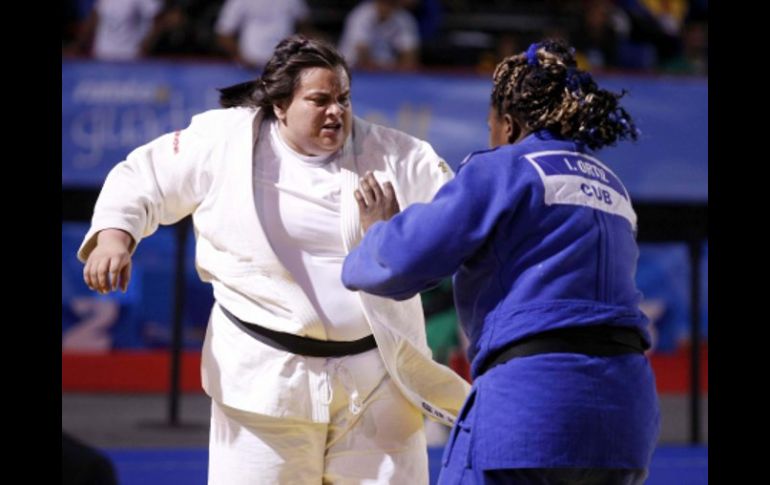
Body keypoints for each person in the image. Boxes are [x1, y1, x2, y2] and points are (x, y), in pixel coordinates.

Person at [78, 35, 469, 484]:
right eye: (320, 100)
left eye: (343, 98)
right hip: (264, 381)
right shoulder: (223, 141)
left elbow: (458, 224)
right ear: (280, 105)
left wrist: (394, 234)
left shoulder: (397, 154)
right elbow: (141, 177)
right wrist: (114, 237)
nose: (337, 111)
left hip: (376, 378)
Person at [342, 39, 660, 484]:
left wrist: (377, 230)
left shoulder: (506, 167)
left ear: (508, 125)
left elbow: (399, 263)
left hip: (534, 402)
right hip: (626, 412)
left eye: (490, 126)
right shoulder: (612, 187)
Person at [214, 0, 313, 68]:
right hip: (249, 67)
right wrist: (240, 57)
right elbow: (223, 34)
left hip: (282, 64)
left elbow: (305, 28)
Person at [338, 0, 420, 70]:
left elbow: (410, 56)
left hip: (388, 72)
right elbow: (362, 56)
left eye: (390, 3)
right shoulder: (360, 15)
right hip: (354, 69)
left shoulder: (404, 19)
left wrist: (399, 71)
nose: (385, 6)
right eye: (383, 2)